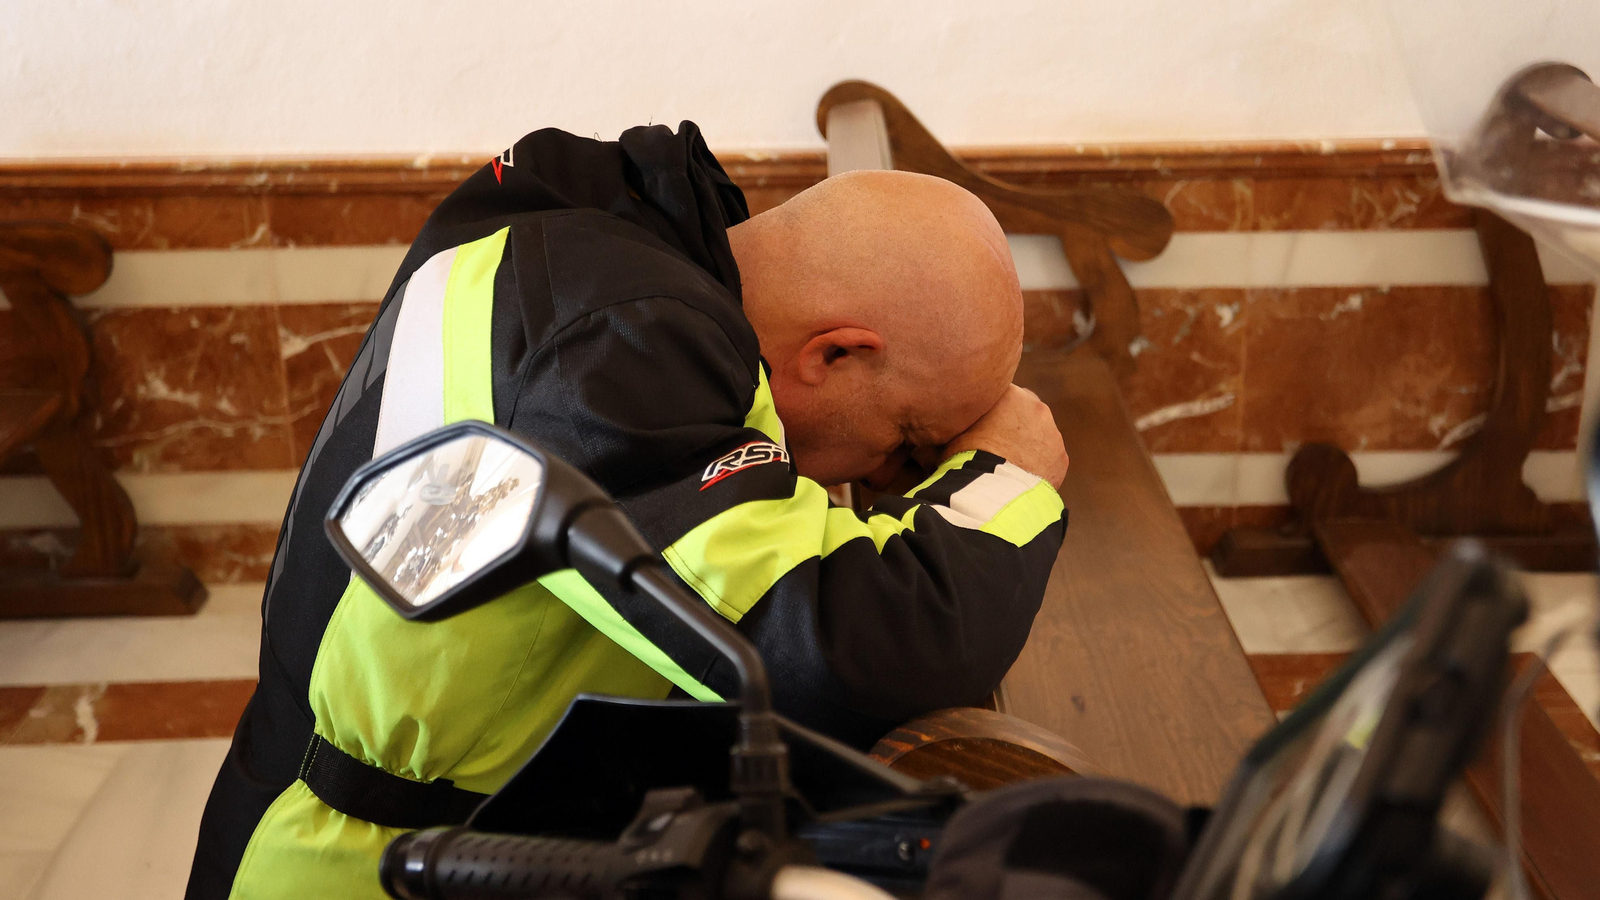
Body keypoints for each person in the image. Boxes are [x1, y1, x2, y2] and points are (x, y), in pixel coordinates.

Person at [186, 121, 1069, 900]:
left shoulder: (587, 250)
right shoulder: (624, 342)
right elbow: (852, 654)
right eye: (906, 443)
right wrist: (1006, 473)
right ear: (835, 353)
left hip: (417, 821)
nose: (883, 478)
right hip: (353, 869)